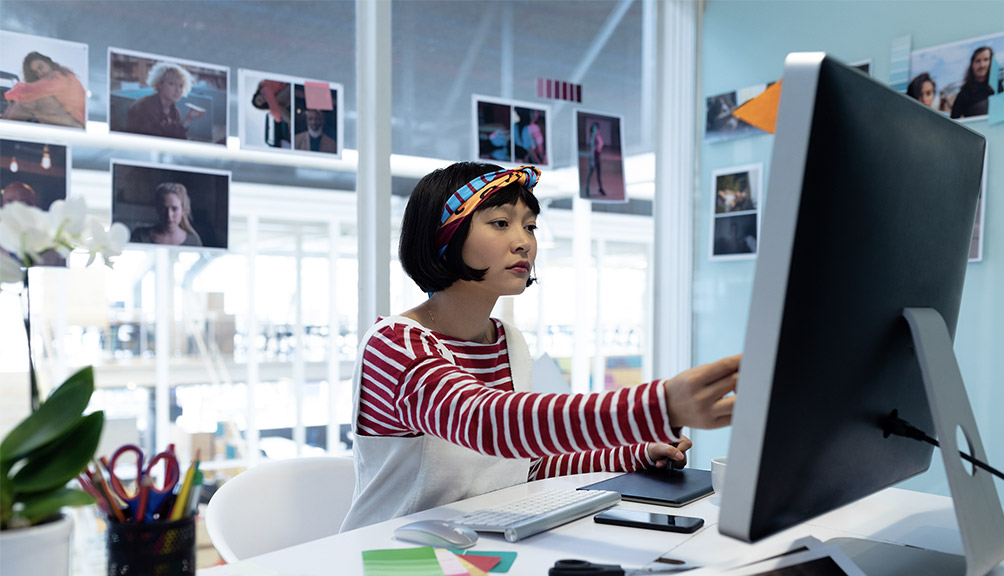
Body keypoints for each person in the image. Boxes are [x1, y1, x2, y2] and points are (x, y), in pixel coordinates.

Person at [340, 162, 740, 530]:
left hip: (475, 544)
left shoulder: (508, 340)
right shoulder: (395, 345)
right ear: (444, 237)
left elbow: (524, 464)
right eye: (500, 223)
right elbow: (488, 423)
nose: (524, 243)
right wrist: (659, 406)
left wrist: (633, 453)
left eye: (529, 227)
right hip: (389, 554)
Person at [2, 51, 86, 128]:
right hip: (70, 121)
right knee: (31, 98)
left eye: (40, 67)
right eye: (35, 72)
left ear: (48, 62)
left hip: (75, 124)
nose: (40, 73)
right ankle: (5, 122)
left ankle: (5, 125)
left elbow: (28, 90)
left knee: (32, 99)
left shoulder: (58, 78)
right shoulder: (63, 75)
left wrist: (9, 96)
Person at [126, 61, 205, 139]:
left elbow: (177, 139)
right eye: (172, 84)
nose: (178, 90)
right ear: (159, 84)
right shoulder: (143, 107)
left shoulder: (175, 111)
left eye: (181, 86)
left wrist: (187, 119)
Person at [130, 182, 202, 246]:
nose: (169, 215)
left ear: (183, 210)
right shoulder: (140, 236)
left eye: (174, 209)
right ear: (157, 209)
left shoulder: (193, 242)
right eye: (164, 208)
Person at [951, 46, 995, 119]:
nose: (982, 65)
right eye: (978, 61)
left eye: (986, 59)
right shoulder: (964, 93)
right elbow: (953, 121)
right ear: (972, 65)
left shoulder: (998, 86)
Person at [251, 79, 291, 148]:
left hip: (289, 85)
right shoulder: (271, 97)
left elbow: (277, 114)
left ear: (258, 94)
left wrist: (278, 118)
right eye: (262, 103)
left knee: (278, 106)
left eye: (259, 99)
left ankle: (292, 124)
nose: (263, 100)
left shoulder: (265, 90)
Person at [584, 122, 605, 196]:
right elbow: (593, 149)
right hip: (594, 157)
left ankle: (601, 188)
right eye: (598, 129)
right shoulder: (594, 137)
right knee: (591, 173)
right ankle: (587, 188)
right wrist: (592, 161)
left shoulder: (598, 136)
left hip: (597, 156)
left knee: (598, 174)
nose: (599, 130)